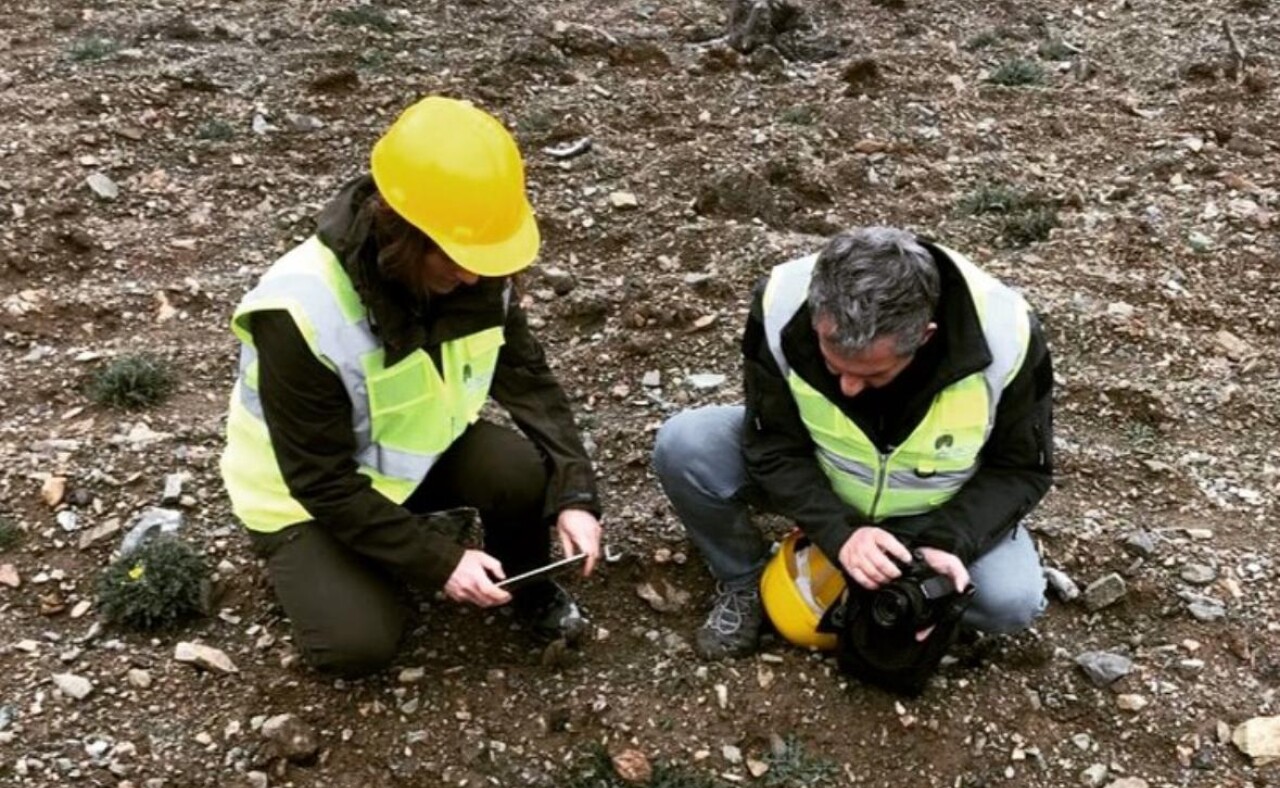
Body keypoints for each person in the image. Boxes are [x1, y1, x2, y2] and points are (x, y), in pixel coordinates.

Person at [220, 96, 602, 676]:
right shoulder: (299, 311)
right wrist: (440, 562)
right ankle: (319, 564)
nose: (472, 274)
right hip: (303, 500)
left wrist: (575, 496)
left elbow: (532, 386)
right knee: (357, 644)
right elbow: (320, 483)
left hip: (406, 466)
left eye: (483, 256)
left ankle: (529, 588)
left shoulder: (478, 276)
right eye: (455, 255)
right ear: (400, 230)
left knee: (519, 471)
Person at [654, 226, 1053, 660]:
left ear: (924, 336)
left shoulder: (1007, 336)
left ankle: (920, 601)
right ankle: (744, 580)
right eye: (831, 364)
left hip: (935, 508)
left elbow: (1020, 468)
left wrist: (949, 541)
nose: (847, 387)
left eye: (873, 375)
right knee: (687, 444)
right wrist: (838, 532)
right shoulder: (781, 302)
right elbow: (772, 442)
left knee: (1011, 600)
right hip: (826, 475)